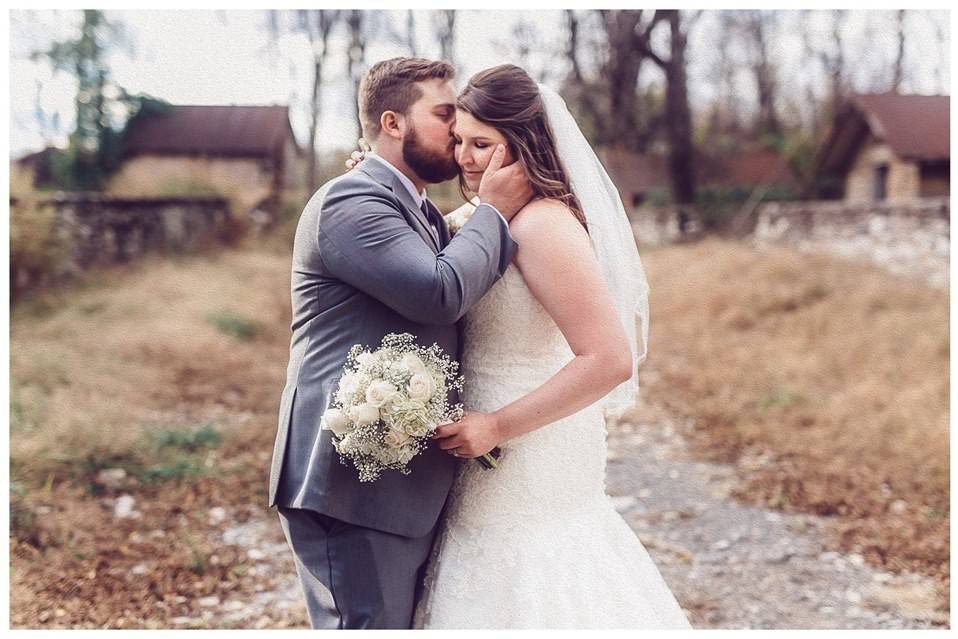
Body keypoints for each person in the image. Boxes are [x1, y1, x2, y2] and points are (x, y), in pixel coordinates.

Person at [413, 64, 692, 629]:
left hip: (529, 440)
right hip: (474, 437)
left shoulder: (545, 226)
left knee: (533, 567)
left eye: (483, 144)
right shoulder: (473, 219)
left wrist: (497, 425)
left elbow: (609, 358)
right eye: (460, 141)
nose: (465, 157)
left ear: (522, 144)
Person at [267, 57, 533, 629]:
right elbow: (439, 292)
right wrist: (495, 208)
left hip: (396, 484)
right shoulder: (350, 203)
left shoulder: (413, 207)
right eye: (444, 115)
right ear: (392, 122)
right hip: (347, 486)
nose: (458, 131)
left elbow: (453, 251)